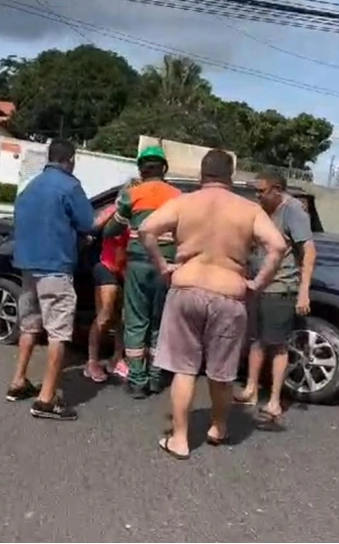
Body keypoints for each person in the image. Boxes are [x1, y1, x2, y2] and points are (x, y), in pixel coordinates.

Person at [138, 149, 287, 460]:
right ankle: (218, 428)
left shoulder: (184, 202)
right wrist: (257, 284)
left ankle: (180, 440)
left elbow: (146, 229)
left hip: (186, 287)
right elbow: (278, 246)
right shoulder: (248, 209)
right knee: (222, 371)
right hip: (228, 292)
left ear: (201, 175)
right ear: (230, 177)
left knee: (183, 369)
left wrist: (163, 266)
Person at [8, 139, 95, 420]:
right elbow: (89, 223)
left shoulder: (30, 187)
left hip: (28, 267)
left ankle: (18, 381)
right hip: (55, 269)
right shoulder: (69, 187)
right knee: (58, 332)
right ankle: (46, 400)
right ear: (70, 159)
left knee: (29, 326)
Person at [233, 171, 316, 426]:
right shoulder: (262, 211)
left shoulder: (292, 211)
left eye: (262, 191)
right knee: (256, 341)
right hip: (259, 286)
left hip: (281, 287)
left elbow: (309, 251)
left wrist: (303, 292)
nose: (257, 195)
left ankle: (274, 400)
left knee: (277, 345)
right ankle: (251, 389)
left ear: (277, 189)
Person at [103, 146, 181, 398]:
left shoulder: (132, 195)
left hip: (137, 265)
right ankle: (157, 377)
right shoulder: (177, 196)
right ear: (164, 168)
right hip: (167, 267)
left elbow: (112, 229)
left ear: (141, 169)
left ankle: (138, 381)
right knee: (160, 322)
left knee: (136, 321)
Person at [84, 182, 137, 383]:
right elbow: (94, 226)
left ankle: (116, 358)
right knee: (104, 316)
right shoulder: (115, 210)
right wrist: (116, 209)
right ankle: (92, 362)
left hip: (126, 270)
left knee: (123, 318)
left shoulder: (138, 216)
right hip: (107, 266)